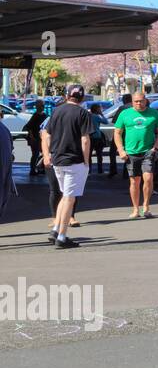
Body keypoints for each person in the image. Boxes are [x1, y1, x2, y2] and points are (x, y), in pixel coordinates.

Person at [41, 85, 92, 248]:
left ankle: (56, 228)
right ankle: (62, 236)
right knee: (70, 198)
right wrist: (86, 161)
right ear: (82, 98)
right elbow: (85, 139)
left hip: (58, 160)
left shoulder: (56, 111)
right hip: (74, 160)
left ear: (67, 96)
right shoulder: (83, 113)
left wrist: (47, 154)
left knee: (65, 195)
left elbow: (46, 134)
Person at [114, 92, 158, 220]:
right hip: (131, 153)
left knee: (148, 178)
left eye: (141, 101)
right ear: (132, 102)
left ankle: (146, 206)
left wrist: (156, 147)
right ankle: (135, 209)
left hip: (148, 151)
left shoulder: (154, 113)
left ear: (145, 101)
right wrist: (121, 150)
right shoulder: (125, 114)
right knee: (134, 181)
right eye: (136, 101)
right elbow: (117, 133)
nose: (139, 103)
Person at [88, 103, 115, 176]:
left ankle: (89, 171)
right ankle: (100, 170)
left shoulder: (88, 116)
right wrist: (101, 114)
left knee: (89, 155)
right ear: (97, 109)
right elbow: (106, 122)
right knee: (99, 154)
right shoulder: (96, 117)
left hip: (89, 137)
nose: (101, 109)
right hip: (97, 137)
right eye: (99, 108)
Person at [22, 100, 46, 176]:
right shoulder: (35, 116)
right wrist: (32, 137)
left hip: (41, 138)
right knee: (35, 154)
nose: (42, 107)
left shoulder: (44, 115)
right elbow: (28, 127)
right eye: (40, 106)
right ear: (37, 107)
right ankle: (33, 170)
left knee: (45, 153)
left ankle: (40, 168)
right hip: (35, 139)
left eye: (42, 106)